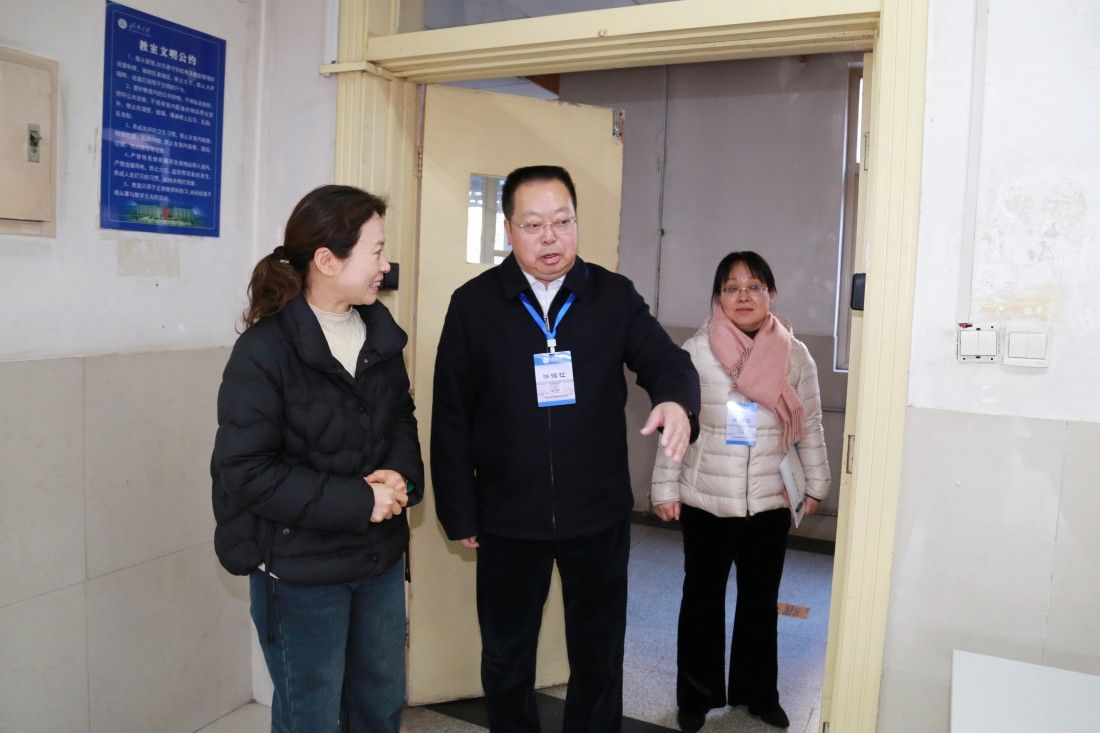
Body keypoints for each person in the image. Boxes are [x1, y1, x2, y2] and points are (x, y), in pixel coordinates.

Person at [431, 165, 700, 731]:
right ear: (509, 229)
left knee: (599, 657)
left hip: (596, 514)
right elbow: (451, 417)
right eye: (533, 225)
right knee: (506, 657)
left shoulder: (612, 296)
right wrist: (460, 509)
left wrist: (676, 400)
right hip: (508, 517)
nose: (550, 238)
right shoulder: (474, 305)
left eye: (563, 221)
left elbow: (666, 359)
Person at [211, 185, 423, 733]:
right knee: (312, 714)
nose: (385, 265)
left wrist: (401, 475)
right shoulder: (265, 350)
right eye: (376, 251)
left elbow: (400, 417)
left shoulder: (379, 334)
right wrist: (360, 500)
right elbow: (246, 472)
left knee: (380, 703)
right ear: (327, 261)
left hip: (377, 558)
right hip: (299, 571)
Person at [651, 251, 831, 732]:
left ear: (771, 294)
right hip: (706, 499)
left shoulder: (795, 354)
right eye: (731, 288)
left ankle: (758, 695)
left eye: (754, 286)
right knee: (701, 601)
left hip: (769, 501)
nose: (743, 296)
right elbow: (677, 426)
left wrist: (817, 483)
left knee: (760, 602)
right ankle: (695, 698)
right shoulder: (696, 351)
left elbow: (809, 424)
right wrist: (665, 488)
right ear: (718, 298)